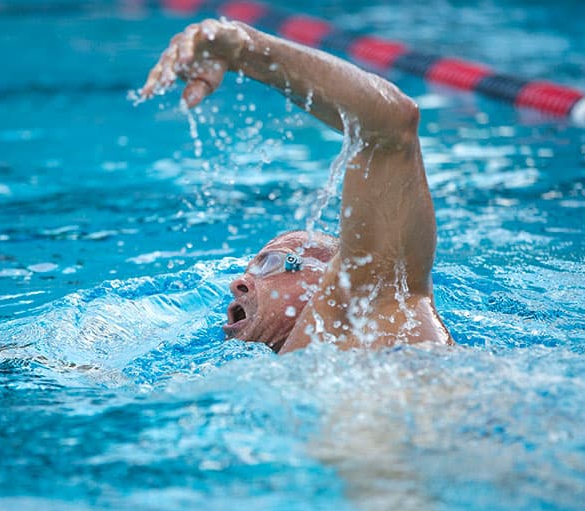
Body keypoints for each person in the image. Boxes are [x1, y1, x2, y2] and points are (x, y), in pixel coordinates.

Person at [141, 18, 452, 353]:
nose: (238, 285)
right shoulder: (288, 366)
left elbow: (390, 125)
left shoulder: (380, 307)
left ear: (334, 274)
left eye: (275, 263)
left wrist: (245, 50)